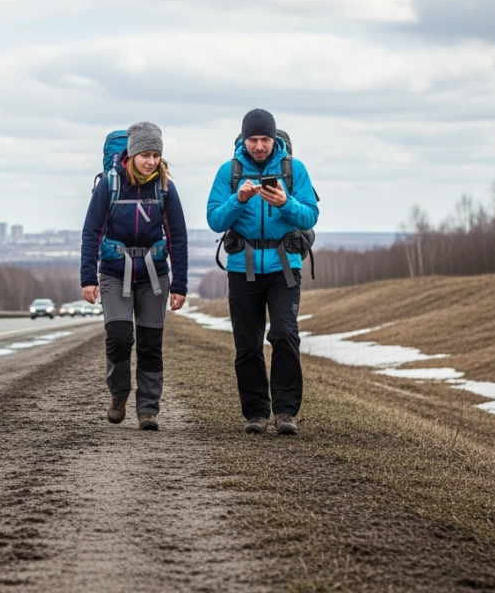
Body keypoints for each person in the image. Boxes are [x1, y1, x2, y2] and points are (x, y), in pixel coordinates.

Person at [206, 109, 319, 435]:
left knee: (285, 335)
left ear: (274, 139)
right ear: (243, 139)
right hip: (242, 268)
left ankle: (285, 413)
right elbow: (215, 219)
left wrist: (285, 203)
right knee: (248, 344)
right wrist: (238, 200)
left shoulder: (293, 170)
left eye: (264, 139)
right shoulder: (228, 172)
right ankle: (256, 413)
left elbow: (310, 216)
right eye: (252, 139)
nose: (258, 145)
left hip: (285, 267)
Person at [81, 122, 188, 431]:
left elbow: (177, 237)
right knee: (119, 337)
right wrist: (88, 278)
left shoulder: (165, 187)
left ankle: (148, 409)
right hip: (115, 273)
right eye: (145, 155)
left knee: (150, 343)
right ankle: (118, 395)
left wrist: (179, 284)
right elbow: (91, 232)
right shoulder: (110, 185)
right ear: (132, 153)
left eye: (156, 155)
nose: (151, 161)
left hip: (155, 275)